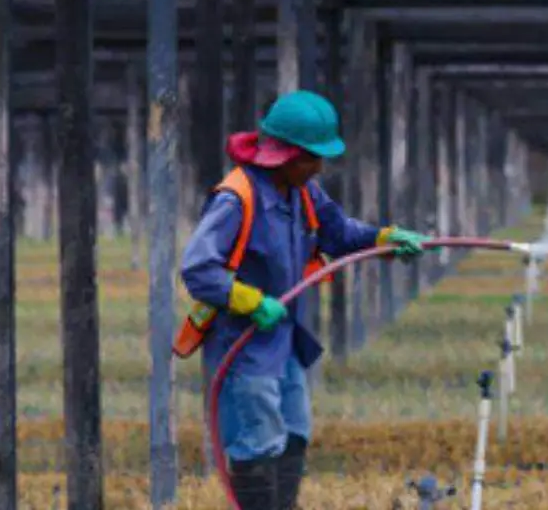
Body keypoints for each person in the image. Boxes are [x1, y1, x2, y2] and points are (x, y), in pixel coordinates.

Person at [178, 90, 431, 510]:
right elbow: (198, 268)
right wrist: (249, 300)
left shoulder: (304, 193)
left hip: (284, 340)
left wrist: (384, 239)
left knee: (294, 431)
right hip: (244, 346)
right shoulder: (236, 198)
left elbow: (340, 234)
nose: (319, 166)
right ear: (285, 155)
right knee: (259, 441)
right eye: (312, 157)